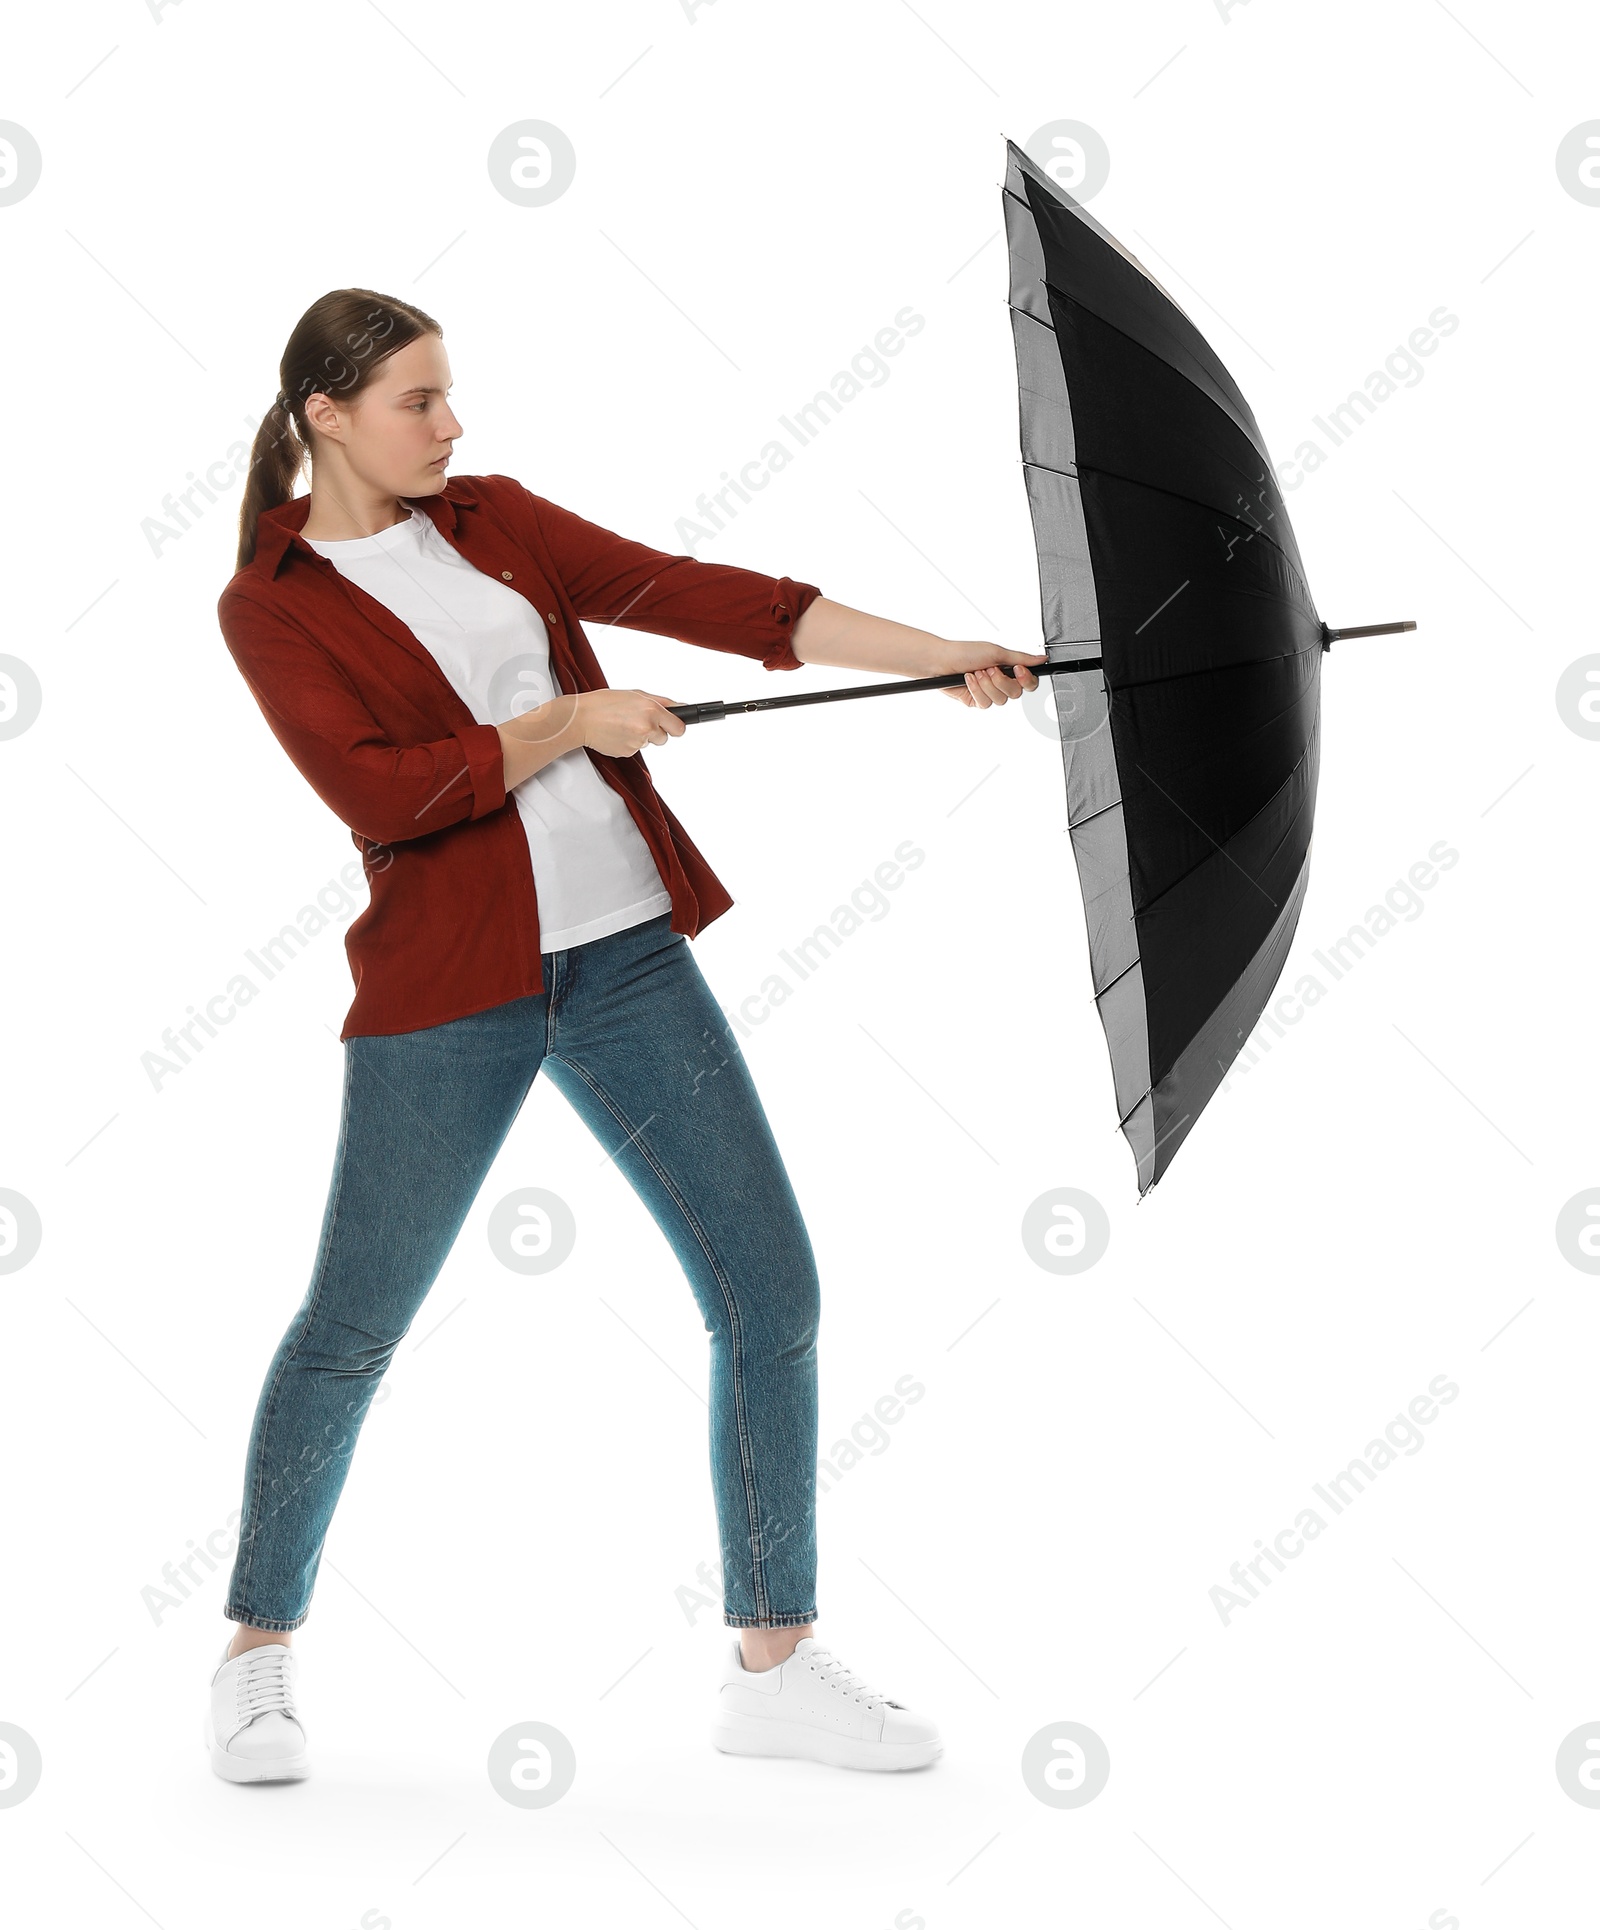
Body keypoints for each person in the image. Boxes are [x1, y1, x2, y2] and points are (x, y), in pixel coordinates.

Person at [204, 287, 1042, 1784]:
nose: (452, 425)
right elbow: (385, 791)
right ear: (325, 415)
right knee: (353, 1326)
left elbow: (705, 592)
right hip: (453, 988)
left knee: (769, 1285)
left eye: (450, 395)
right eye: (418, 400)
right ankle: (257, 1653)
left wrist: (937, 651)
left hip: (626, 958)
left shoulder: (494, 517)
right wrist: (565, 727)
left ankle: (772, 1662)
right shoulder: (269, 600)